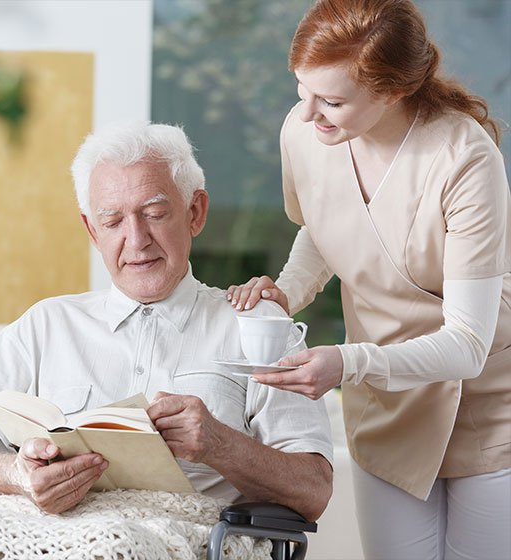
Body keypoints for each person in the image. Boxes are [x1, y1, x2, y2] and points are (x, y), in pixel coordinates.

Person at [0, 121, 334, 523]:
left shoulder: (257, 325)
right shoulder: (44, 326)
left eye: (154, 213)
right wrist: (16, 475)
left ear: (195, 212)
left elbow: (313, 490)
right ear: (92, 230)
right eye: (113, 222)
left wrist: (221, 445)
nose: (136, 241)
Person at [225, 0, 511, 557]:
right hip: (386, 401)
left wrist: (346, 363)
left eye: (331, 100)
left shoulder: (464, 158)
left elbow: (470, 346)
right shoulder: (306, 132)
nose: (308, 114)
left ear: (391, 91)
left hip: (485, 403)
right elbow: (325, 223)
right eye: (300, 90)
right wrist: (289, 290)